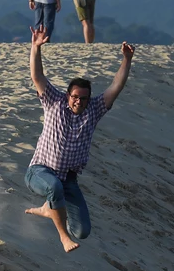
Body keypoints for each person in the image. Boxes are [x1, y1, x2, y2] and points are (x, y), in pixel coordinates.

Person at [24, 25, 134, 252]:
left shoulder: (94, 110)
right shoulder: (54, 101)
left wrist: (127, 60)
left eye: (83, 99)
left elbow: (116, 86)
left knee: (82, 231)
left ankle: (49, 209)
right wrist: (35, 47)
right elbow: (37, 75)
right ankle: (63, 237)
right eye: (75, 97)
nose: (79, 102)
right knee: (53, 187)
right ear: (68, 96)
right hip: (40, 171)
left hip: (68, 179)